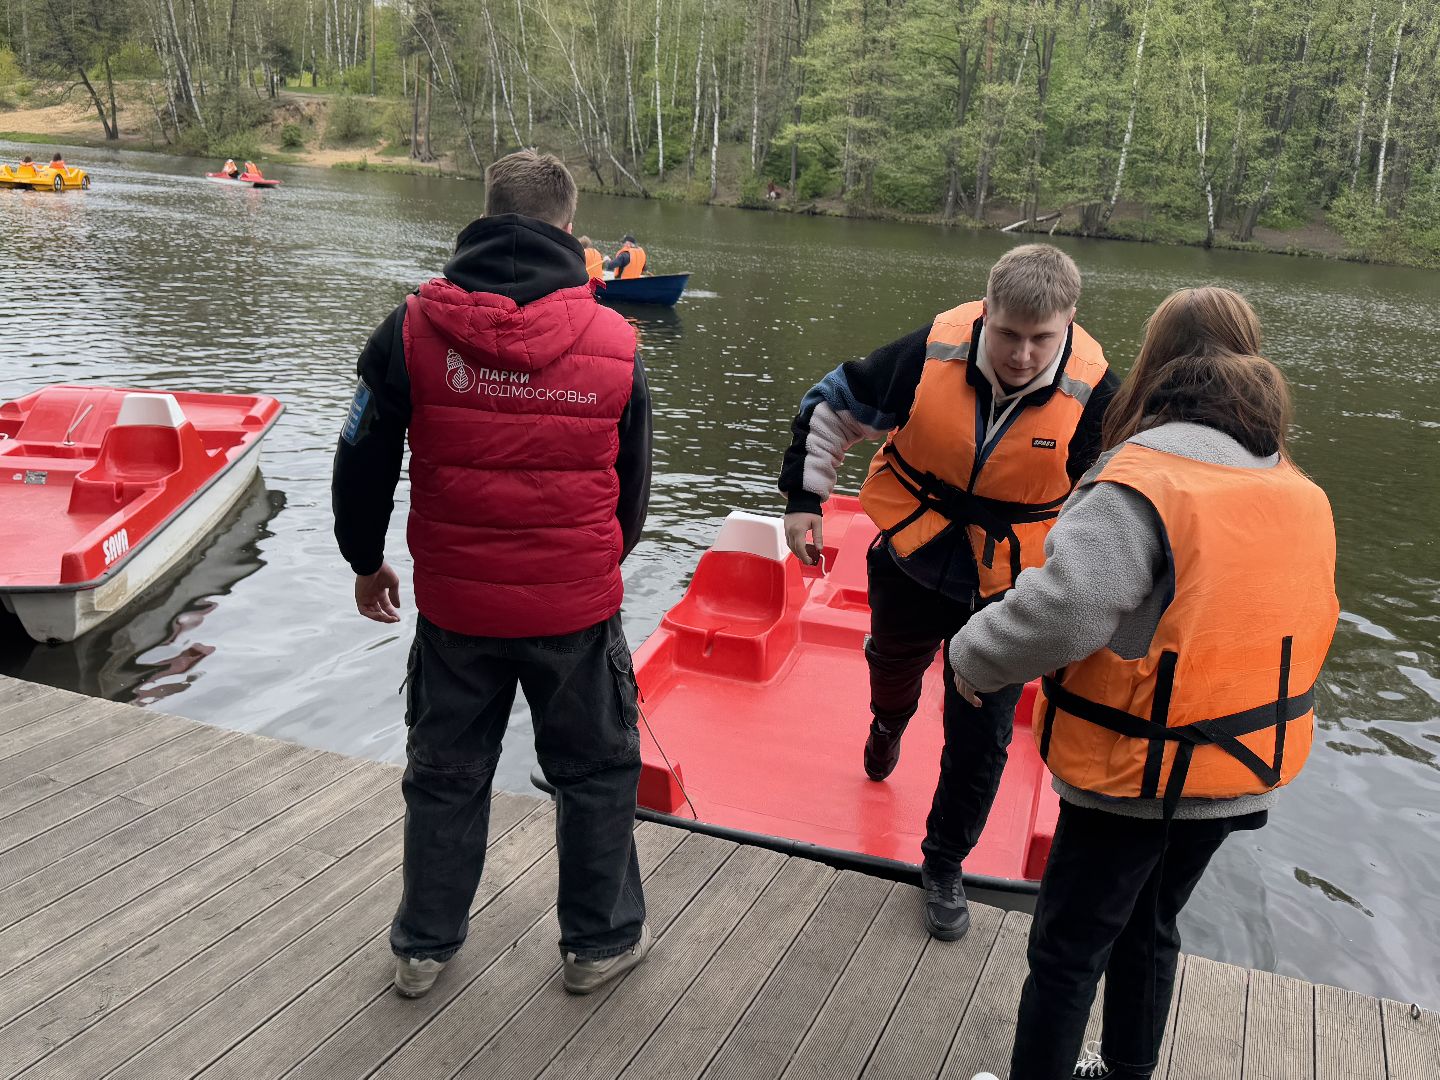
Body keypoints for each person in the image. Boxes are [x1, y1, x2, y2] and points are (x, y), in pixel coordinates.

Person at [948, 287, 1339, 1080]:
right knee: (1151, 928)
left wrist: (970, 655)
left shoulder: (1144, 476)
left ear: (1157, 361)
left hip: (1133, 777)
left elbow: (1068, 609)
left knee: (1067, 951)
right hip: (1233, 772)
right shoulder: (1290, 482)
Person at [332, 149, 655, 1000]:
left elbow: (360, 459)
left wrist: (364, 559)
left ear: (484, 212)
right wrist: (591, 566)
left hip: (457, 611)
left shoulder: (409, 329)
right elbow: (633, 488)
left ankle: (423, 948)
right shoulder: (617, 342)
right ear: (570, 225)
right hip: (575, 610)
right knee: (595, 775)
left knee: (445, 774)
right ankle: (598, 944)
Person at [778, 243, 1118, 941]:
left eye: (1040, 339)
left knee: (981, 734)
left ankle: (943, 863)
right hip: (911, 555)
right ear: (985, 311)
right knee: (892, 670)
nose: (1021, 354)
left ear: (1069, 321)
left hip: (1007, 589)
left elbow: (1116, 502)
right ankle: (887, 723)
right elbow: (833, 406)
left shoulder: (1098, 396)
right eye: (1007, 334)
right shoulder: (930, 351)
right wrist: (805, 498)